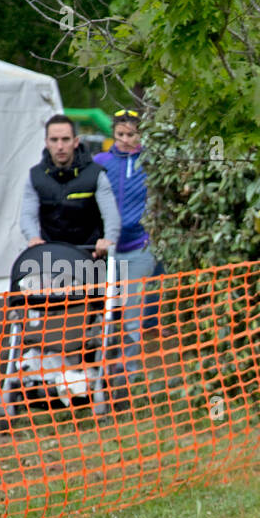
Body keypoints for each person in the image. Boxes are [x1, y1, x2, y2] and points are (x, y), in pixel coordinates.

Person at [92, 109, 156, 374]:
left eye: (131, 134)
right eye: (120, 134)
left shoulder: (150, 163)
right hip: (106, 251)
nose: (125, 140)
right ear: (113, 134)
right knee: (102, 314)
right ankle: (97, 370)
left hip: (138, 247)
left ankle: (128, 375)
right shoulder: (100, 161)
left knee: (131, 316)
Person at [20, 114, 119, 259]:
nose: (60, 146)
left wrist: (108, 240)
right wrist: (33, 237)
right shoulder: (35, 176)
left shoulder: (96, 174)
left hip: (90, 255)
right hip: (50, 257)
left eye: (65, 139)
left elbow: (111, 215)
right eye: (54, 140)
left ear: (76, 141)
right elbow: (27, 215)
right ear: (47, 142)